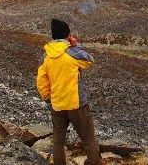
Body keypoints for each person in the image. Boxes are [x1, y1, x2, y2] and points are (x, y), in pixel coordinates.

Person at [36, 19, 101, 165]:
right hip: (76, 104)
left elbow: (41, 82)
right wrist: (76, 46)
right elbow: (90, 60)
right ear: (67, 35)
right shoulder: (72, 53)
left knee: (58, 141)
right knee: (88, 138)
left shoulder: (45, 56)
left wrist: (48, 98)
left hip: (57, 105)